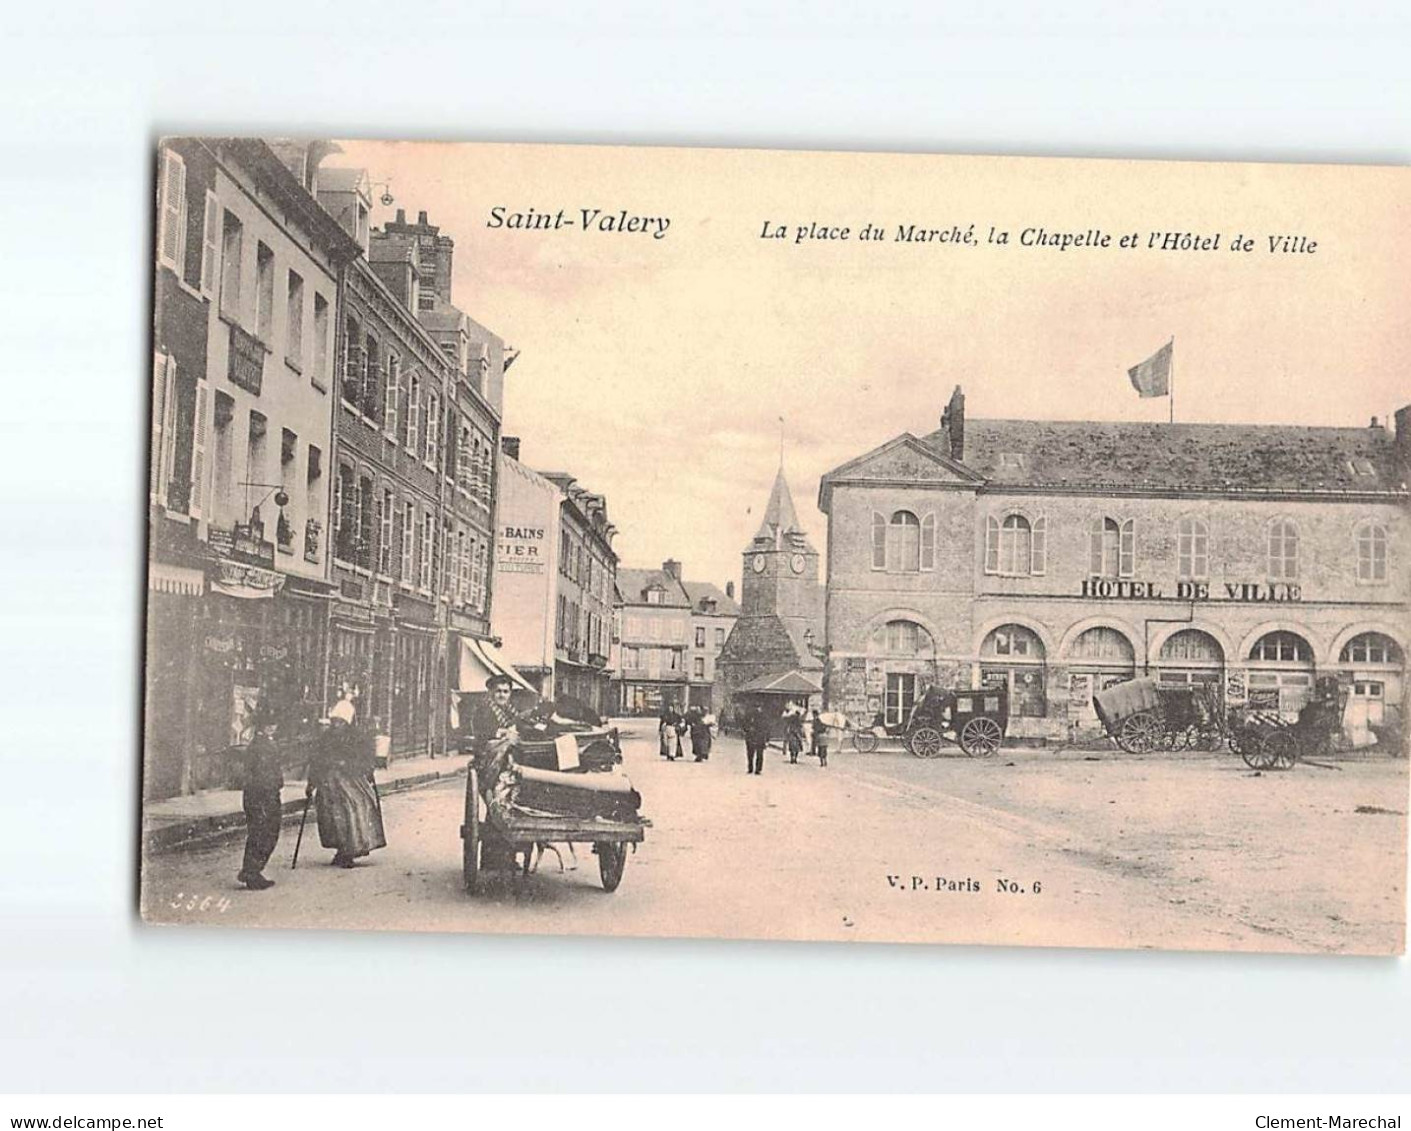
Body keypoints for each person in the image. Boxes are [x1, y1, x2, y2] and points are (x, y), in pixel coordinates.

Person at [306, 696, 386, 868]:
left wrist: (348, 764)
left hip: (351, 781)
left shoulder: (358, 737)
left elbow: (366, 761)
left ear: (347, 722)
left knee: (352, 812)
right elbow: (316, 760)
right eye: (334, 721)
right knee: (331, 818)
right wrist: (311, 782)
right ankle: (341, 849)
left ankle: (350, 850)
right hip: (328, 783)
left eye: (340, 722)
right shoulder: (325, 738)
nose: (336, 725)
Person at [236, 707, 284, 890]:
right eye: (268, 725)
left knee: (262, 833)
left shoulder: (265, 743)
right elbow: (263, 774)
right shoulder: (261, 746)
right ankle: (252, 872)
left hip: (263, 794)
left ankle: (252, 870)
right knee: (263, 833)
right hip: (262, 795)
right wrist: (273, 787)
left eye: (273, 724)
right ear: (261, 726)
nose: (272, 727)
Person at [742, 701, 774, 775]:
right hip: (759, 737)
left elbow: (744, 726)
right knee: (758, 754)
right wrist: (767, 739)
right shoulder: (763, 716)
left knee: (751, 754)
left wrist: (747, 730)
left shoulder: (749, 715)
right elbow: (767, 728)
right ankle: (757, 769)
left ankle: (751, 768)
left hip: (753, 737)